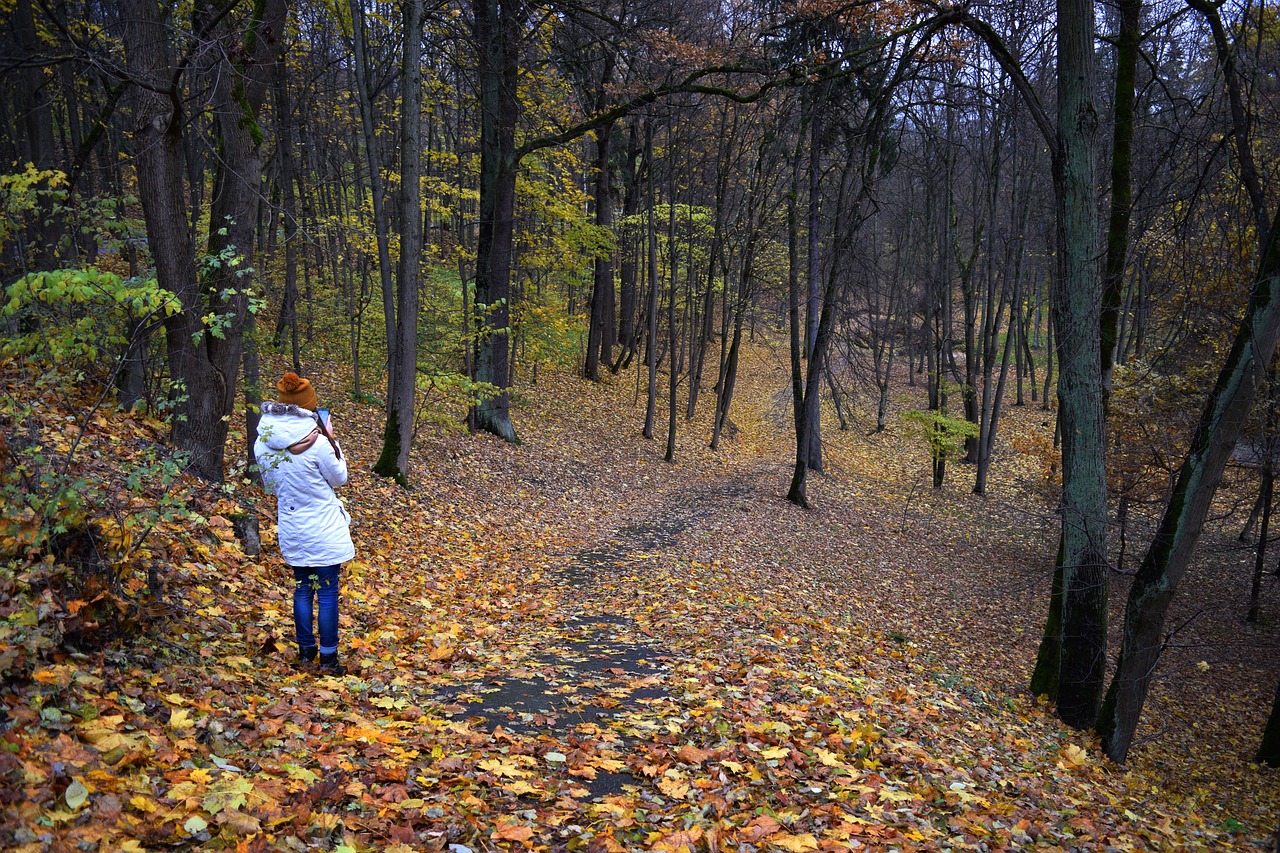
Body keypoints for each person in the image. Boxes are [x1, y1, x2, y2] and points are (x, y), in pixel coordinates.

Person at [254, 372, 354, 676]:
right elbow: (340, 479)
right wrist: (333, 441)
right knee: (326, 593)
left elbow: (270, 485)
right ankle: (328, 659)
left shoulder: (263, 443)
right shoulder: (318, 444)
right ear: (308, 408)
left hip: (292, 527)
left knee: (301, 589)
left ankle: (306, 653)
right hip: (322, 529)